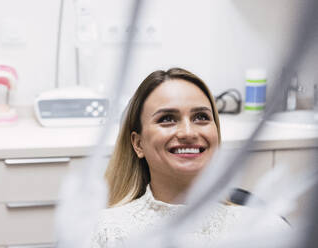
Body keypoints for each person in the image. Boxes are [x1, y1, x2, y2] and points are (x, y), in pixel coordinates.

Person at [91, 68, 288, 247]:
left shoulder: (266, 229)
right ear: (138, 144)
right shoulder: (103, 233)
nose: (188, 132)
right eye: (167, 119)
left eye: (201, 117)